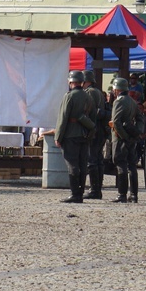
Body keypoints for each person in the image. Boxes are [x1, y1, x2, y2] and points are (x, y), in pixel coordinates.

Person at [54, 70, 94, 203]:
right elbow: (92, 117)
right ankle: (80, 192)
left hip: (70, 134)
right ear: (82, 82)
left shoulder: (69, 96)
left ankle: (74, 194)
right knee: (83, 164)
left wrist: (58, 136)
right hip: (84, 133)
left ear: (71, 82)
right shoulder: (88, 96)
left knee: (72, 164)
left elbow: (63, 117)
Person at [110, 77, 139, 203]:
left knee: (120, 163)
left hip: (120, 137)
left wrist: (123, 136)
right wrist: (137, 131)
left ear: (117, 89)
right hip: (131, 137)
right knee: (132, 166)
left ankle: (121, 194)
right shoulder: (132, 101)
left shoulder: (119, 101)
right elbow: (140, 118)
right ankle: (133, 194)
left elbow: (116, 121)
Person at [82, 70, 107, 200]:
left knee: (92, 160)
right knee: (97, 160)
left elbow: (89, 111)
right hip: (100, 129)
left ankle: (94, 190)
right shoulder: (98, 92)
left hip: (94, 129)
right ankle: (97, 189)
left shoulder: (89, 92)